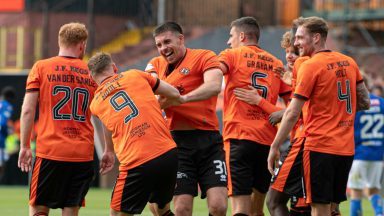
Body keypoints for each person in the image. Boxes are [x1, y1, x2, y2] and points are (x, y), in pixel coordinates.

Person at [267, 16, 370, 216]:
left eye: (299, 38)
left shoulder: (310, 65)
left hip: (319, 146)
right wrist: (335, 110)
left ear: (316, 37)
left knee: (318, 207)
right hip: (346, 149)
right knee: (332, 208)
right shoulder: (349, 62)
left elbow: (293, 112)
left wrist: (274, 146)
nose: (295, 43)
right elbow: (364, 101)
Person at [17, 22, 105, 216]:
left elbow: (28, 110)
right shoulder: (92, 74)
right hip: (82, 154)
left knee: (39, 209)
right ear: (82, 45)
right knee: (70, 211)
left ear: (60, 41)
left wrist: (24, 146)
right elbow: (105, 115)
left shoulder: (41, 67)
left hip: (51, 151)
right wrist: (108, 150)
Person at [145, 21, 227, 216]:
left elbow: (215, 85)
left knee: (219, 207)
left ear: (181, 39)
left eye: (167, 42)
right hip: (177, 143)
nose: (163, 48)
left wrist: (181, 99)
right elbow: (153, 95)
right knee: (181, 208)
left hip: (209, 141)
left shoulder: (204, 56)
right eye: (159, 45)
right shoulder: (154, 64)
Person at [88, 52, 180, 216]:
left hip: (137, 161)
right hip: (168, 153)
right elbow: (173, 93)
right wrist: (151, 107)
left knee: (117, 213)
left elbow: (109, 123)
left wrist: (108, 151)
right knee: (162, 210)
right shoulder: (135, 75)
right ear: (114, 68)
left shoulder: (95, 104)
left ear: (91, 77)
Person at [218, 16, 291, 216]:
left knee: (240, 210)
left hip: (239, 138)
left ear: (241, 36)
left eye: (231, 36)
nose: (228, 41)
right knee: (257, 210)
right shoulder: (276, 64)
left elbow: (213, 72)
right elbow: (294, 109)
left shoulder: (231, 55)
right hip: (267, 143)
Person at [347, 78, 384, 216]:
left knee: (356, 192)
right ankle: (380, 213)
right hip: (377, 155)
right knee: (373, 189)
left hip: (360, 154)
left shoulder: (356, 105)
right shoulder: (382, 103)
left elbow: (350, 131)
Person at [0, 86, 15, 175]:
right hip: (0, 138)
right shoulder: (7, 106)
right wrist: (9, 130)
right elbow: (2, 123)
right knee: (1, 164)